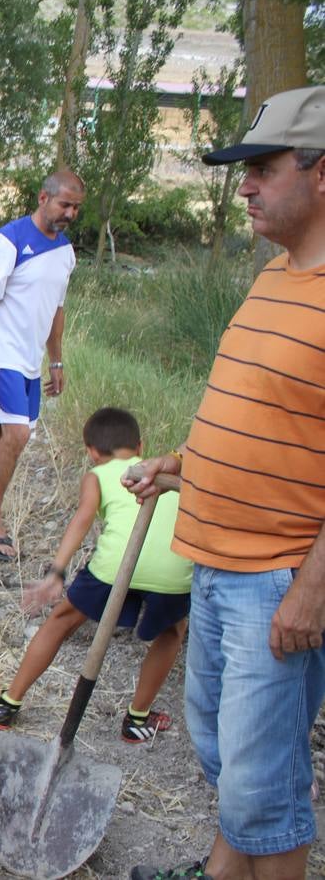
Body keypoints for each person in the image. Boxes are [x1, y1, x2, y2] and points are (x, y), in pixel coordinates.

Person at [126, 85, 325, 880]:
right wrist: (185, 465)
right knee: (223, 758)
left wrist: (312, 589)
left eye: (262, 168)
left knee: (261, 790)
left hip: (276, 582)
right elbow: (270, 413)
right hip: (215, 563)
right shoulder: (277, 276)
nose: (243, 185)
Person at [0, 407, 189, 744]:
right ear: (141, 445)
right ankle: (137, 719)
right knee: (171, 631)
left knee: (61, 621)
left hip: (115, 566)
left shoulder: (97, 475)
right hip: (172, 570)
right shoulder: (161, 470)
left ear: (91, 452)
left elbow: (81, 520)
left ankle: (7, 705)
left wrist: (57, 572)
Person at [0, 170, 85, 561]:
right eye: (65, 205)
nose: (70, 214)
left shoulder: (65, 252)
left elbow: (57, 310)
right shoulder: (6, 241)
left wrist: (56, 360)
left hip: (29, 361)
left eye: (76, 208)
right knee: (17, 436)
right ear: (43, 198)